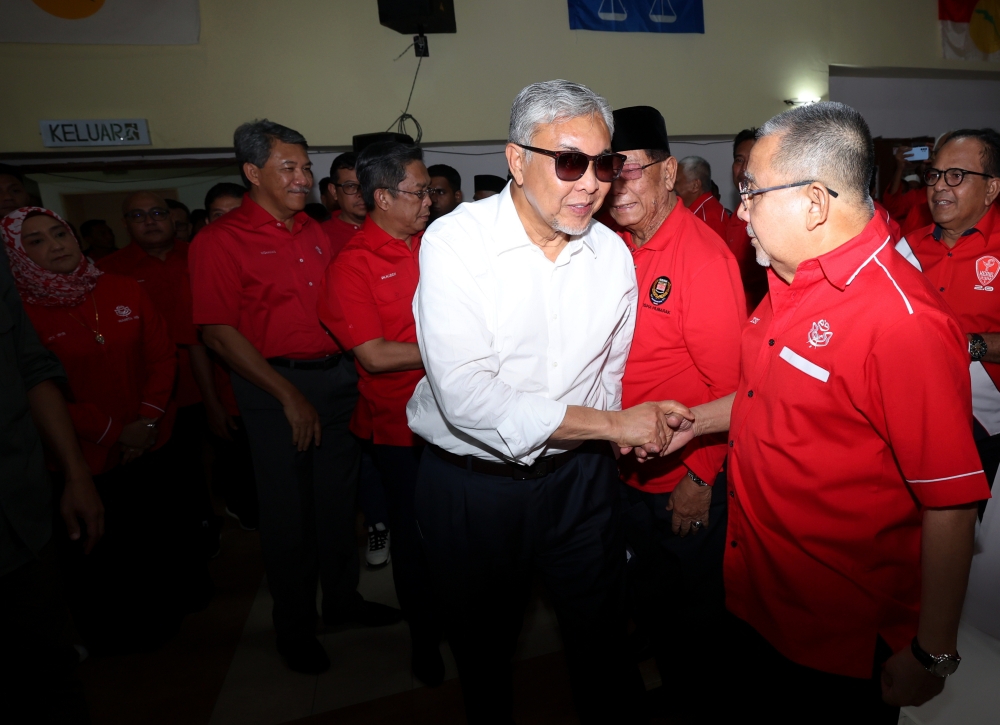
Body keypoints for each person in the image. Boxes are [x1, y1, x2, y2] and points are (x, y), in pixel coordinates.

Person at [661, 102, 990, 723]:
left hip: (835, 629)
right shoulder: (787, 282)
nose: (741, 211)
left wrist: (932, 652)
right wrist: (690, 421)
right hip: (758, 590)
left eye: (752, 192)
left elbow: (950, 503)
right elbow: (768, 397)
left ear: (815, 202)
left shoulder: (900, 322)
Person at [408, 79, 679, 724]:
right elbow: (469, 394)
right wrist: (613, 423)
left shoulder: (610, 254)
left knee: (603, 639)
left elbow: (606, 374)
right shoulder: (456, 243)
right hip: (475, 488)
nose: (590, 183)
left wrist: (614, 435)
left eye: (605, 164)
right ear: (515, 159)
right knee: (484, 650)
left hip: (579, 481)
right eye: (569, 162)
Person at [190, 119, 400, 675]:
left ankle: (344, 601)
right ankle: (295, 626)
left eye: (307, 167)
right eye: (290, 167)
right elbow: (217, 332)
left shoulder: (318, 231)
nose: (303, 177)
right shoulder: (220, 241)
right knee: (289, 519)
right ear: (252, 172)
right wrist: (287, 394)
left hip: (337, 378)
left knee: (338, 506)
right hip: (274, 388)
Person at [3, 206, 205, 653]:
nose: (55, 244)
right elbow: (38, 391)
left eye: (60, 232)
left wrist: (146, 422)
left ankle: (160, 618)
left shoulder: (121, 288)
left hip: (149, 440)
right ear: (14, 254)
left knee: (151, 541)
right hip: (77, 458)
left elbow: (161, 357)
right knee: (97, 553)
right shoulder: (19, 314)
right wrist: (117, 431)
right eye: (36, 240)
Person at [605, 105, 744, 716]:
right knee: (654, 605)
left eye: (629, 171)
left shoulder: (701, 257)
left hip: (683, 485)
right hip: (627, 473)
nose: (615, 186)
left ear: (667, 174)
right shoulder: (615, 249)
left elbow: (734, 390)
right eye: (608, 172)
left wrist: (699, 478)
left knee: (699, 621)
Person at [318, 140, 444, 685]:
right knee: (416, 542)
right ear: (382, 197)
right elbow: (373, 354)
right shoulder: (353, 266)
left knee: (459, 534)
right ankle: (424, 641)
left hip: (461, 418)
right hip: (401, 431)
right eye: (419, 193)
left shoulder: (435, 246)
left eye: (430, 192)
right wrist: (454, 350)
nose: (429, 202)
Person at [0, 236, 102, 724]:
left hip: (20, 503)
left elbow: (33, 370)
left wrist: (74, 472)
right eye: (35, 241)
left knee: (48, 665)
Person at [99, 191, 220, 559]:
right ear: (125, 224)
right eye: (138, 215)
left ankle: (207, 537)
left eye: (157, 213)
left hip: (212, 383)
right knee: (165, 482)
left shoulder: (199, 255)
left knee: (208, 474)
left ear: (171, 217)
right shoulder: (109, 271)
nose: (150, 221)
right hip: (149, 399)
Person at [895, 129, 1000, 488]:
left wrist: (967, 345)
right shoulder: (906, 251)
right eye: (934, 174)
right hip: (913, 415)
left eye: (956, 176)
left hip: (986, 426)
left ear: (991, 189)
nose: (940, 186)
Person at [318, 151, 391, 564]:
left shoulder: (408, 237)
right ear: (333, 193)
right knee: (360, 456)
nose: (359, 195)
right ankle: (377, 524)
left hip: (391, 365)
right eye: (349, 187)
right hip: (344, 360)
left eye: (364, 186)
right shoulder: (321, 239)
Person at [199, 184, 259, 530]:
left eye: (237, 213)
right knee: (242, 469)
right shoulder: (206, 259)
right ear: (206, 220)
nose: (229, 223)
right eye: (219, 216)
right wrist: (212, 404)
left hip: (270, 388)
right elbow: (204, 343)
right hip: (231, 390)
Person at [725, 128, 769, 314]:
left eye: (749, 160)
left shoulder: (773, 217)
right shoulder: (735, 216)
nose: (743, 169)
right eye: (738, 160)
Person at [320, 152, 368, 259]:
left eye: (365, 185)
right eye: (350, 186)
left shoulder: (389, 226)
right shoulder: (321, 235)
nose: (361, 193)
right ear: (334, 191)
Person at [674, 155, 729, 239]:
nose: (672, 186)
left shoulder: (709, 216)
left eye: (676, 182)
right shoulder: (699, 211)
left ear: (695, 185)